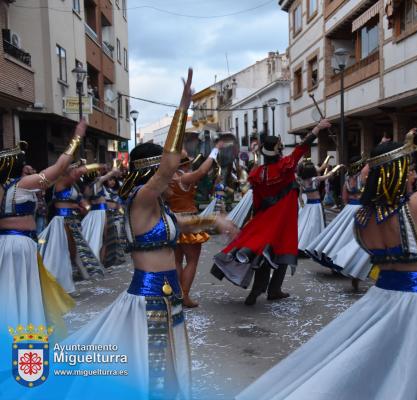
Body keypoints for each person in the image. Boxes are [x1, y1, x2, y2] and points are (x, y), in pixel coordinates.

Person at [237, 96, 417, 400]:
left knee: (377, 369)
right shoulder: (413, 208)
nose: (414, 174)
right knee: (415, 375)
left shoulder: (362, 217)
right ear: (397, 173)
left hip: (381, 299)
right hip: (413, 304)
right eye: (409, 169)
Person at [50, 69, 236, 399]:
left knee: (170, 369)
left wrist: (214, 222)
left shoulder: (158, 209)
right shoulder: (141, 199)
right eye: (171, 169)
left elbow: (182, 224)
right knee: (154, 374)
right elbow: (167, 168)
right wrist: (182, 110)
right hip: (149, 300)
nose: (176, 173)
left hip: (167, 298)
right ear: (152, 173)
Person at [212, 119, 331, 306]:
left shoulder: (257, 173)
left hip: (265, 217)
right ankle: (273, 290)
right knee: (282, 249)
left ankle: (258, 290)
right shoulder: (286, 165)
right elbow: (302, 147)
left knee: (263, 252)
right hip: (284, 217)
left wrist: (256, 218)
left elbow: (257, 200)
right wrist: (317, 128)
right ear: (278, 150)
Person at [0, 122, 85, 333]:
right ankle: (20, 334)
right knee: (20, 291)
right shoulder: (22, 184)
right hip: (18, 245)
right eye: (24, 163)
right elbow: (59, 167)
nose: (27, 166)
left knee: (9, 290)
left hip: (8, 244)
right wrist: (77, 138)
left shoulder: (8, 186)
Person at [165, 147, 221, 308]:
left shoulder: (168, 178)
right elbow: (203, 171)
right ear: (185, 164)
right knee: (192, 260)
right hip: (188, 220)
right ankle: (185, 296)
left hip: (173, 220)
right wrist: (214, 153)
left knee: (176, 259)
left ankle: (177, 294)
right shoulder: (183, 178)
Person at [305, 155, 372, 290]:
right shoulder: (362, 178)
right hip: (360, 208)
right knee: (355, 239)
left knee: (340, 238)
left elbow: (345, 197)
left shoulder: (348, 179)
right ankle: (350, 264)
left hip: (348, 209)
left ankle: (339, 260)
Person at [39, 162, 104, 294]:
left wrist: (84, 207)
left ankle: (67, 282)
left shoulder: (73, 185)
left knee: (72, 252)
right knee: (64, 253)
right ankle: (62, 285)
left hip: (72, 220)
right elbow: (78, 173)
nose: (75, 169)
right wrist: (97, 165)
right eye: (72, 167)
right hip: (62, 222)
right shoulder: (62, 181)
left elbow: (82, 201)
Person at [297, 157, 343, 255]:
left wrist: (302, 204)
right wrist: (338, 167)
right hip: (316, 205)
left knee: (306, 225)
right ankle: (312, 245)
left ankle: (302, 244)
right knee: (315, 225)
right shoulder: (315, 179)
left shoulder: (302, 181)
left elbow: (300, 196)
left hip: (308, 205)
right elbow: (328, 175)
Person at [81, 164, 121, 266]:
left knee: (96, 237)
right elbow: (109, 175)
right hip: (100, 213)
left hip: (93, 213)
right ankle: (99, 262)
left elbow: (86, 201)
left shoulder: (87, 187)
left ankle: (98, 261)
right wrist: (114, 169)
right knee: (103, 238)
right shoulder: (98, 183)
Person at [103, 171, 127, 267]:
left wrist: (122, 212)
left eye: (113, 180)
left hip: (119, 215)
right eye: (109, 180)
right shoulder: (104, 190)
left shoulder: (119, 190)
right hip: (107, 215)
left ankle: (117, 256)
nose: (112, 182)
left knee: (120, 233)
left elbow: (121, 204)